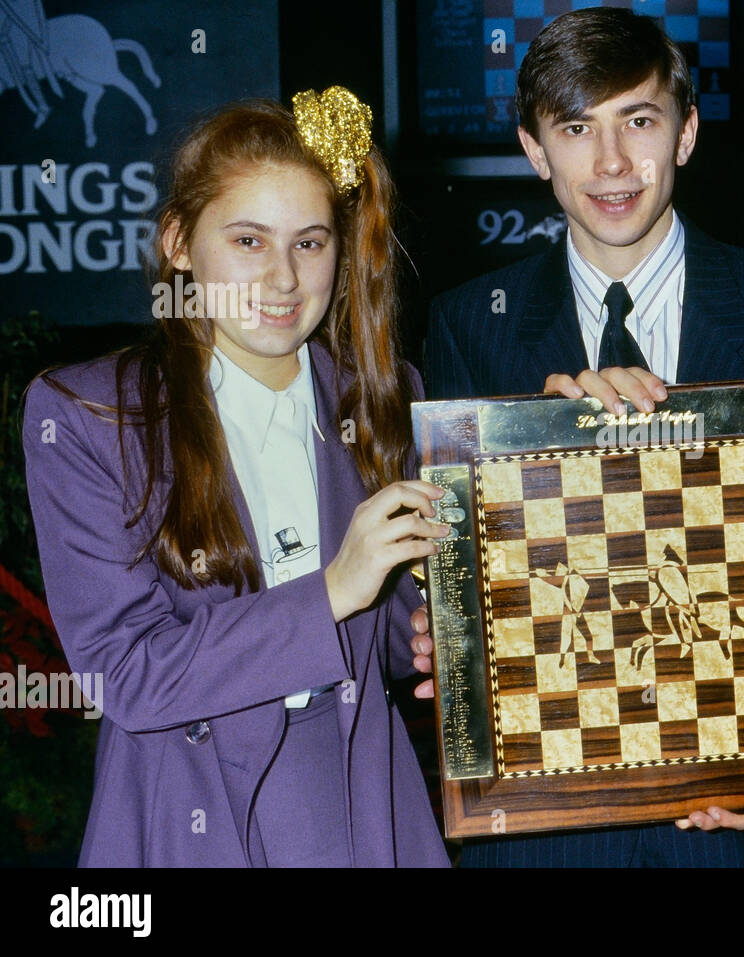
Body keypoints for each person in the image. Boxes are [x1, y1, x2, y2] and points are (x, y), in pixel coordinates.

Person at [414, 6, 744, 867]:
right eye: (577, 127)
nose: (612, 161)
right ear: (535, 149)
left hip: (743, 830)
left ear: (687, 133)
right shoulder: (470, 327)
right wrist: (445, 610)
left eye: (640, 120)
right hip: (547, 830)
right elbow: (446, 576)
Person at [22, 88, 451, 867]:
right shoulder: (89, 417)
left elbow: (377, 641)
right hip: (191, 807)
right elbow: (125, 674)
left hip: (361, 799)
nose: (283, 278)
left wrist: (425, 633)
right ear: (180, 243)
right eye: (249, 240)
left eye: (311, 242)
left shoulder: (386, 397)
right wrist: (330, 591)